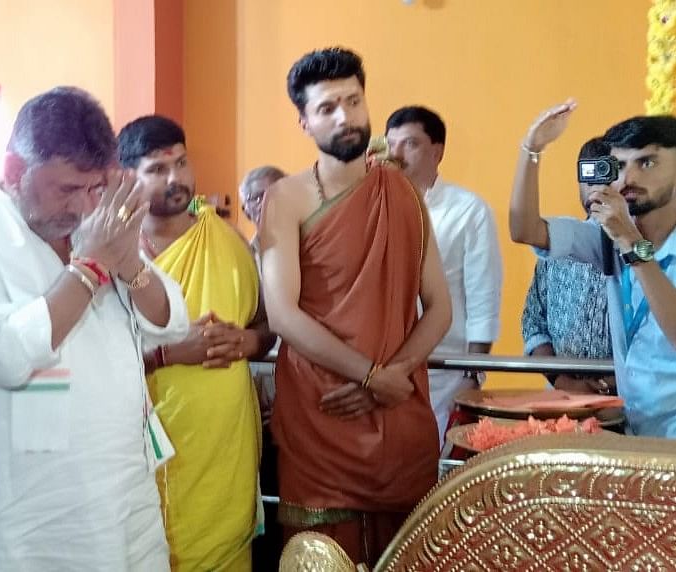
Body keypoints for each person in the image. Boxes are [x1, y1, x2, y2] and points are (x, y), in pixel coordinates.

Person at [0, 87, 189, 571]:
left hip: (124, 491)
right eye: (67, 189)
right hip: (27, 511)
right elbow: (6, 355)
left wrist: (130, 264)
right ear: (12, 172)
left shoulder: (100, 228)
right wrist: (91, 267)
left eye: (95, 188)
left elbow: (172, 321)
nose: (85, 206)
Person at [258, 47, 451, 565]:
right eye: (327, 108)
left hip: (399, 412)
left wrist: (393, 377)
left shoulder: (404, 194)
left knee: (407, 553)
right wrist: (369, 376)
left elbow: (439, 307)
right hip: (323, 416)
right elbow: (282, 315)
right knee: (321, 557)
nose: (345, 116)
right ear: (304, 121)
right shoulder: (287, 199)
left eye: (353, 100)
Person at [119, 115, 273, 571]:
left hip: (220, 453)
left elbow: (266, 325)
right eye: (158, 169)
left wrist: (250, 341)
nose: (176, 179)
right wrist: (168, 353)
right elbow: (86, 361)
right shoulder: (112, 251)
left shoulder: (228, 243)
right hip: (136, 451)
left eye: (182, 163)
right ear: (128, 176)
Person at [510, 101, 676, 437]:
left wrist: (630, 241)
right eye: (619, 165)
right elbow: (525, 229)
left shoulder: (622, 238)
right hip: (634, 430)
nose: (628, 178)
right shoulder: (610, 237)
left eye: (647, 162)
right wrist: (532, 149)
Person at [386, 106, 503, 441]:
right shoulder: (376, 206)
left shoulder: (468, 210)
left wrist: (473, 373)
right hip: (382, 369)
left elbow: (483, 295)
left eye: (409, 144)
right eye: (390, 144)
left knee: (434, 470)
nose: (396, 154)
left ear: (437, 152)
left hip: (445, 369)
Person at [521, 137, 614, 394]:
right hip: (562, 398)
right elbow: (533, 324)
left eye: (605, 173)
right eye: (587, 175)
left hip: (630, 399)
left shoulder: (642, 248)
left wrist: (607, 386)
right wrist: (565, 384)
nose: (595, 186)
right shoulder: (556, 247)